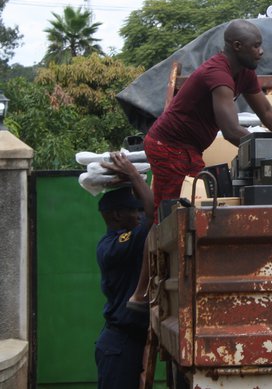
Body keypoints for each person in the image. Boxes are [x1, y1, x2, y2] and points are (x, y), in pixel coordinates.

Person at [131, 19, 272, 309]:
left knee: (185, 211)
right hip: (169, 146)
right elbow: (230, 131)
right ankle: (140, 293)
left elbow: (267, 111)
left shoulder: (245, 72)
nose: (261, 52)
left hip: (190, 148)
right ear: (236, 46)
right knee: (166, 218)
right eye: (256, 46)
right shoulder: (217, 74)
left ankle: (166, 282)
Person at [94, 152, 154, 389]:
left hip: (130, 343)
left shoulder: (128, 241)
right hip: (119, 346)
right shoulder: (112, 246)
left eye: (139, 211)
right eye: (134, 210)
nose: (139, 215)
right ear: (117, 214)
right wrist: (131, 173)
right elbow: (153, 212)